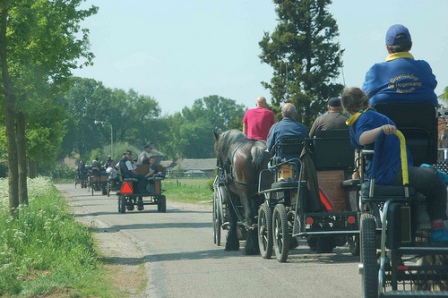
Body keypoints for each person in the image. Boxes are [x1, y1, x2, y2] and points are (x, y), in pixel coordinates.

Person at [342, 87, 448, 243]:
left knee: (430, 180)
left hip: (389, 171)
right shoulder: (367, 117)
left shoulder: (357, 120)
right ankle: (438, 228)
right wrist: (381, 129)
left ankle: (426, 172)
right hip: (390, 173)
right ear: (364, 99)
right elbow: (362, 138)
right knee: (435, 180)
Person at [362, 24, 438, 107]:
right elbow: (432, 84)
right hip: (423, 119)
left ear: (387, 48)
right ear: (410, 45)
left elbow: (364, 95)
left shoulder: (376, 71)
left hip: (385, 119)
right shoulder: (424, 67)